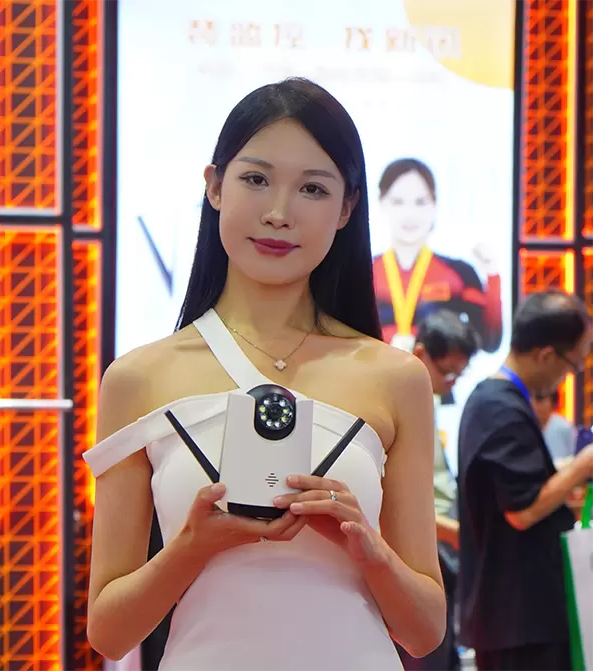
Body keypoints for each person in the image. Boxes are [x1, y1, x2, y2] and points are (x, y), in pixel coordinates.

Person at [83, 78, 446, 670]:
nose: (279, 213)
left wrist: (368, 547)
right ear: (214, 185)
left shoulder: (396, 378)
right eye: (256, 179)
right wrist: (193, 546)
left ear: (347, 208)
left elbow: (426, 631)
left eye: (312, 188)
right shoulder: (138, 378)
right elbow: (109, 632)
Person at [457, 290, 593, 671]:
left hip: (519, 617)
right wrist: (582, 465)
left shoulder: (498, 401)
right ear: (546, 355)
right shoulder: (499, 407)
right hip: (519, 619)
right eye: (572, 365)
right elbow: (522, 510)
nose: (567, 377)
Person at [395, 310, 479, 671]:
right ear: (419, 354)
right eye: (447, 372)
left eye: (459, 374)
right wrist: (456, 533)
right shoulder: (393, 400)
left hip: (441, 547)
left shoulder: (423, 399)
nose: (452, 383)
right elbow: (398, 500)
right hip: (418, 552)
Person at [372, 158, 502, 354]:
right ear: (381, 204)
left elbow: (490, 342)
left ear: (435, 205)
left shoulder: (461, 274)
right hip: (377, 373)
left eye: (420, 202)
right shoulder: (361, 274)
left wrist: (492, 276)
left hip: (438, 374)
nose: (410, 214)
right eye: (398, 202)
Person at [531, 390, 576, 463]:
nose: (534, 404)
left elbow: (571, 458)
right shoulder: (526, 426)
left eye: (540, 399)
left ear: (552, 402)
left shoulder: (564, 427)